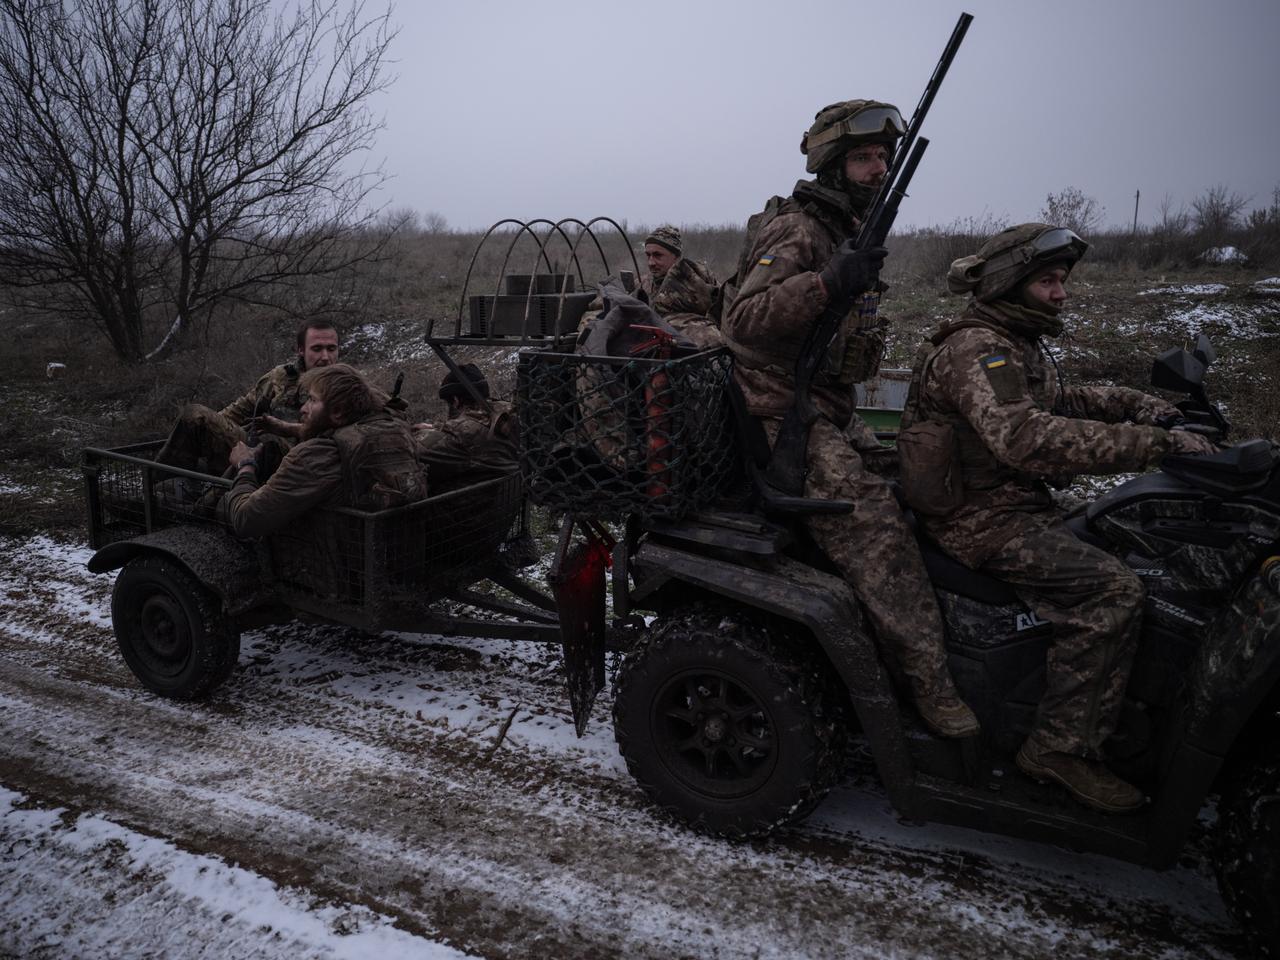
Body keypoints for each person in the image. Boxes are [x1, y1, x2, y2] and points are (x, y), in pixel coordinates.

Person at [898, 222, 1217, 812]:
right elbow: (1023, 438)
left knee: (1140, 545)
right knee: (1112, 593)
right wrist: (1153, 444)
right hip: (978, 519)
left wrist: (1145, 406)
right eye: (1048, 281)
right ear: (1012, 284)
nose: (1061, 293)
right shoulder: (978, 349)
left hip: (1015, 503)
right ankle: (1056, 748)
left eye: (1062, 281)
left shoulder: (1016, 344)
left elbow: (1056, 401)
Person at [721, 99, 979, 738]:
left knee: (923, 478)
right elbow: (742, 324)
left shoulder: (849, 229)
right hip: (776, 409)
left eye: (884, 157)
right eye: (863, 157)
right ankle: (928, 687)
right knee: (876, 526)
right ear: (833, 165)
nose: (878, 167)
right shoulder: (801, 231)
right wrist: (826, 283)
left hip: (825, 406)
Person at [222, 363, 427, 538]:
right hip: (395, 554)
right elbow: (344, 433)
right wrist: (286, 428)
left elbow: (247, 521)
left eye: (312, 400)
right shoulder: (398, 429)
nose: (303, 409)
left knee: (225, 503)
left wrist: (245, 466)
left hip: (332, 570)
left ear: (337, 411)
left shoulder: (315, 456)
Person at [154, 320, 340, 476]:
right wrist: (211, 430)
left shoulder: (346, 388)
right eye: (317, 349)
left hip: (299, 464)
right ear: (301, 350)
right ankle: (155, 487)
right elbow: (240, 410)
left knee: (198, 416)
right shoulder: (281, 377)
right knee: (196, 418)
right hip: (258, 453)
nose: (325, 357)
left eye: (331, 349)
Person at [413, 363, 518, 492]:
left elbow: (416, 452)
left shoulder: (462, 434)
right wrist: (436, 427)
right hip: (507, 498)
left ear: (456, 400)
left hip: (471, 507)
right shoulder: (506, 414)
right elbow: (475, 428)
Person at [637, 224, 721, 348]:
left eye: (657, 255)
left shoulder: (697, 282)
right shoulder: (643, 283)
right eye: (648, 255)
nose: (651, 263)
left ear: (676, 257)